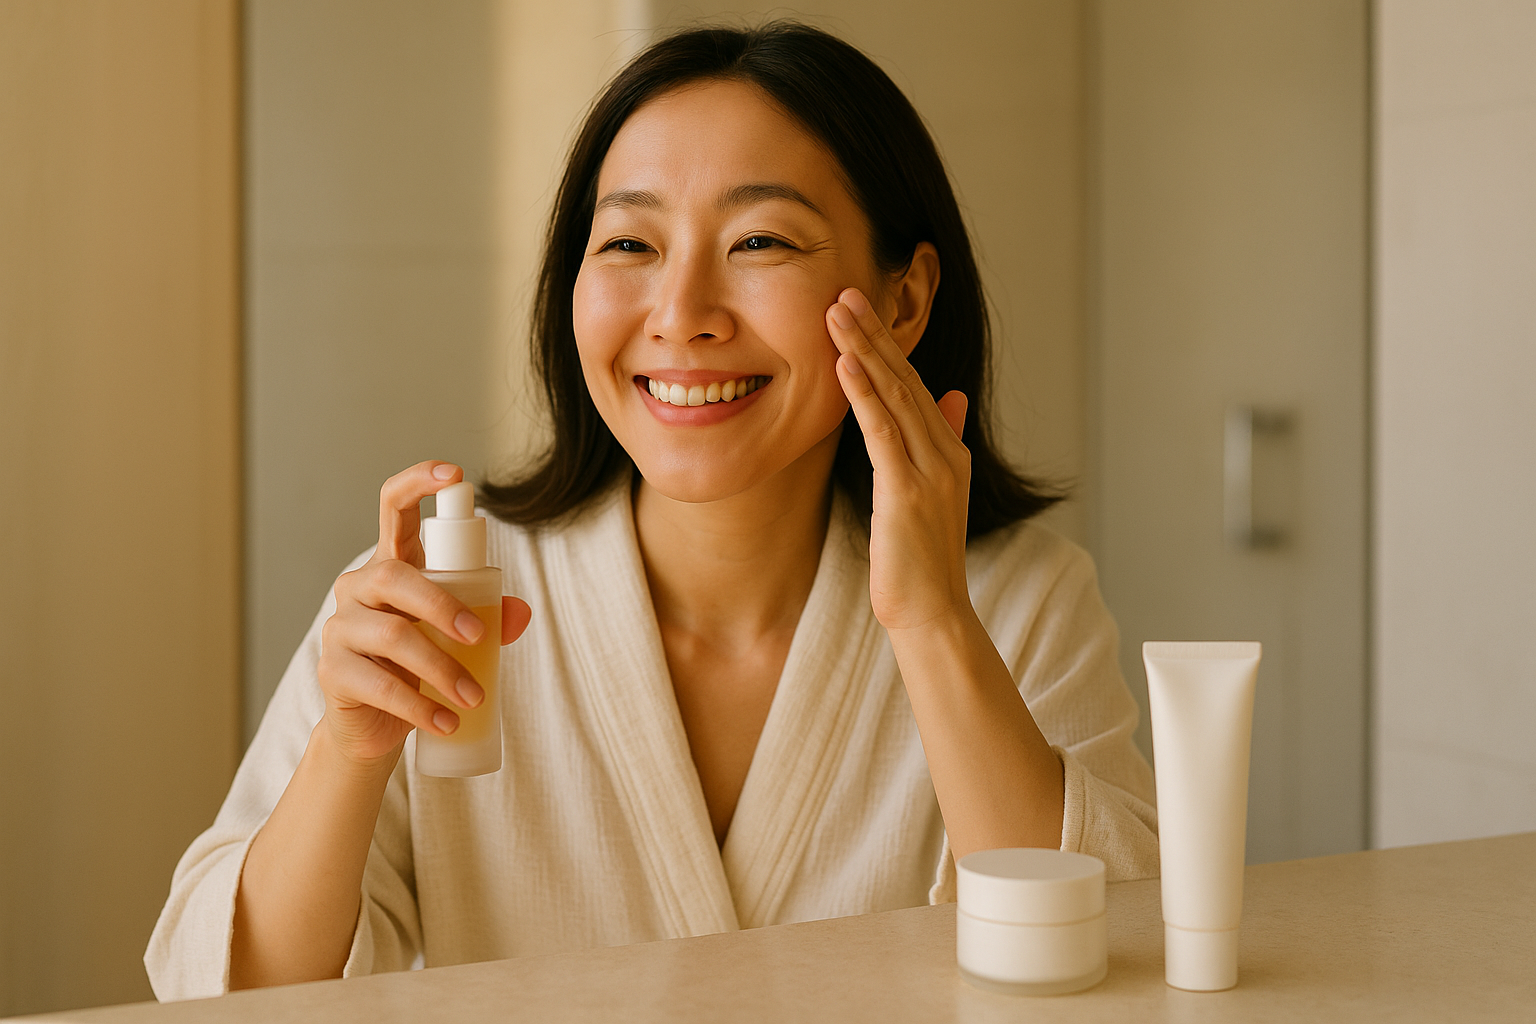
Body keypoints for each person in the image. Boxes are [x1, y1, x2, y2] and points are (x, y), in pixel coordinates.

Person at [146, 22, 1157, 1000]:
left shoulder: (1021, 601)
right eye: (630, 242)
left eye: (760, 240)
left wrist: (933, 624)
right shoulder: (439, 604)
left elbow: (1122, 953)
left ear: (902, 302)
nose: (680, 315)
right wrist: (348, 753)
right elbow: (227, 987)